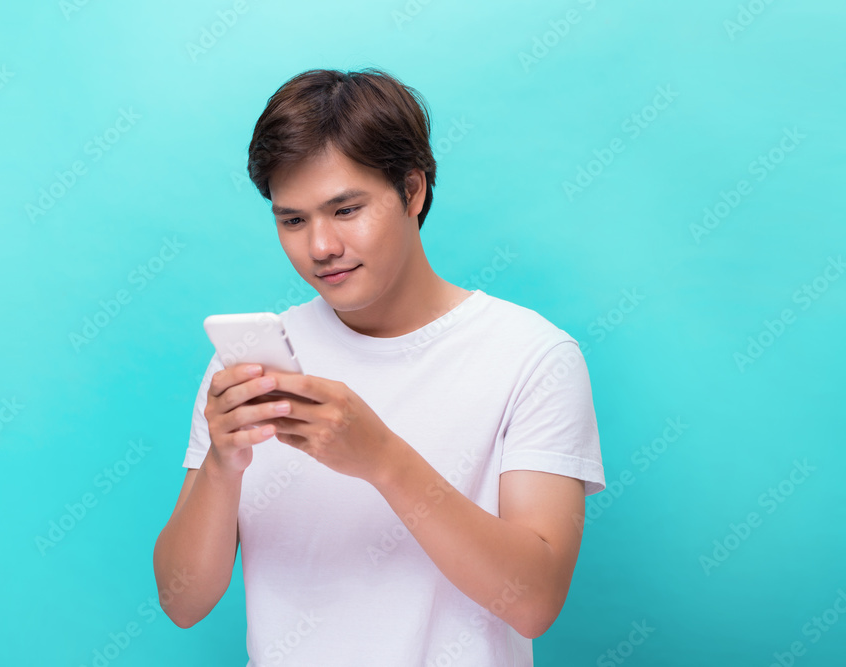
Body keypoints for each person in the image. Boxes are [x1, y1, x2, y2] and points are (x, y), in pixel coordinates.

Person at [153, 67, 606, 666]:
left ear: (412, 191)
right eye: (292, 220)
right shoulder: (250, 365)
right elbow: (182, 603)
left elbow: (535, 601)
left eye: (345, 210)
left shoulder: (532, 356)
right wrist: (221, 465)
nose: (320, 247)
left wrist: (382, 460)